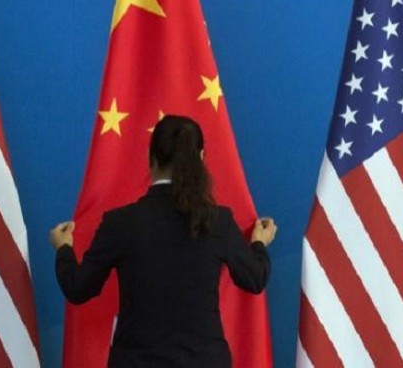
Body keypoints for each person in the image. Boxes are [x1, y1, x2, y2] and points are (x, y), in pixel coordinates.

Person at [50, 114, 277, 367]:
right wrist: (258, 242)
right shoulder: (218, 221)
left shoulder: (119, 223)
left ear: (151, 158)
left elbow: (78, 288)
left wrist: (64, 248)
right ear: (201, 159)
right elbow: (255, 279)